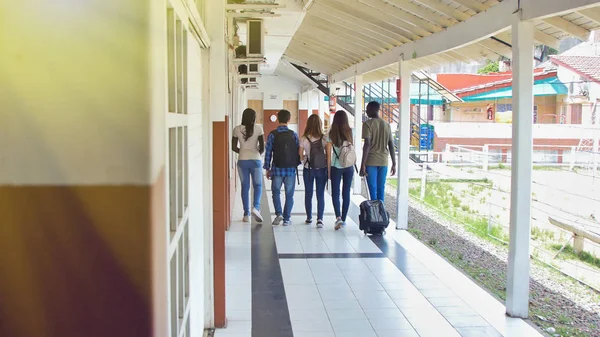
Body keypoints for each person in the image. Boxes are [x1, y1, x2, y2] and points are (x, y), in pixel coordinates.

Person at [264, 109, 300, 226]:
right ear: (289, 120)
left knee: (276, 192)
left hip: (277, 169)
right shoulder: (294, 135)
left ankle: (279, 213)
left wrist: (267, 168)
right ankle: (286, 219)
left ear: (278, 119)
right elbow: (297, 152)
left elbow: (268, 152)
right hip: (290, 170)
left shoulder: (272, 135)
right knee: (289, 195)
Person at [232, 108, 264, 223]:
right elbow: (262, 147)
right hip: (256, 160)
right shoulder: (258, 128)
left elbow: (234, 147)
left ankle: (246, 214)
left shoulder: (237, 129)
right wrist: (256, 154)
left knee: (245, 187)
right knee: (258, 185)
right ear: (254, 118)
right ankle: (256, 207)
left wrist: (243, 152)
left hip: (242, 161)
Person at [360, 101, 396, 201]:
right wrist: (394, 163)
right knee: (381, 188)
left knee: (372, 188)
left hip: (371, 161)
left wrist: (362, 164)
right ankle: (381, 212)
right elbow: (391, 146)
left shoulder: (367, 124)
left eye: (367, 109)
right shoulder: (386, 125)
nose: (366, 111)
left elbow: (367, 144)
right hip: (384, 161)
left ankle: (374, 213)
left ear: (372, 109)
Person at [327, 110, 356, 230]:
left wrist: (328, 171)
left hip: (336, 166)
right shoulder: (350, 131)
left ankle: (338, 217)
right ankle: (343, 219)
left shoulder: (331, 133)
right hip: (349, 166)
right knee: (346, 192)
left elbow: (328, 154)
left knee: (336, 193)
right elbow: (351, 149)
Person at [300, 115, 328, 229]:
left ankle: (309, 217)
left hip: (308, 169)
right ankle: (320, 219)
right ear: (320, 124)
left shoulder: (304, 138)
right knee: (320, 194)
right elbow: (328, 153)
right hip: (322, 168)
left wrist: (304, 160)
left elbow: (300, 154)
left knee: (308, 193)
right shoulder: (324, 138)